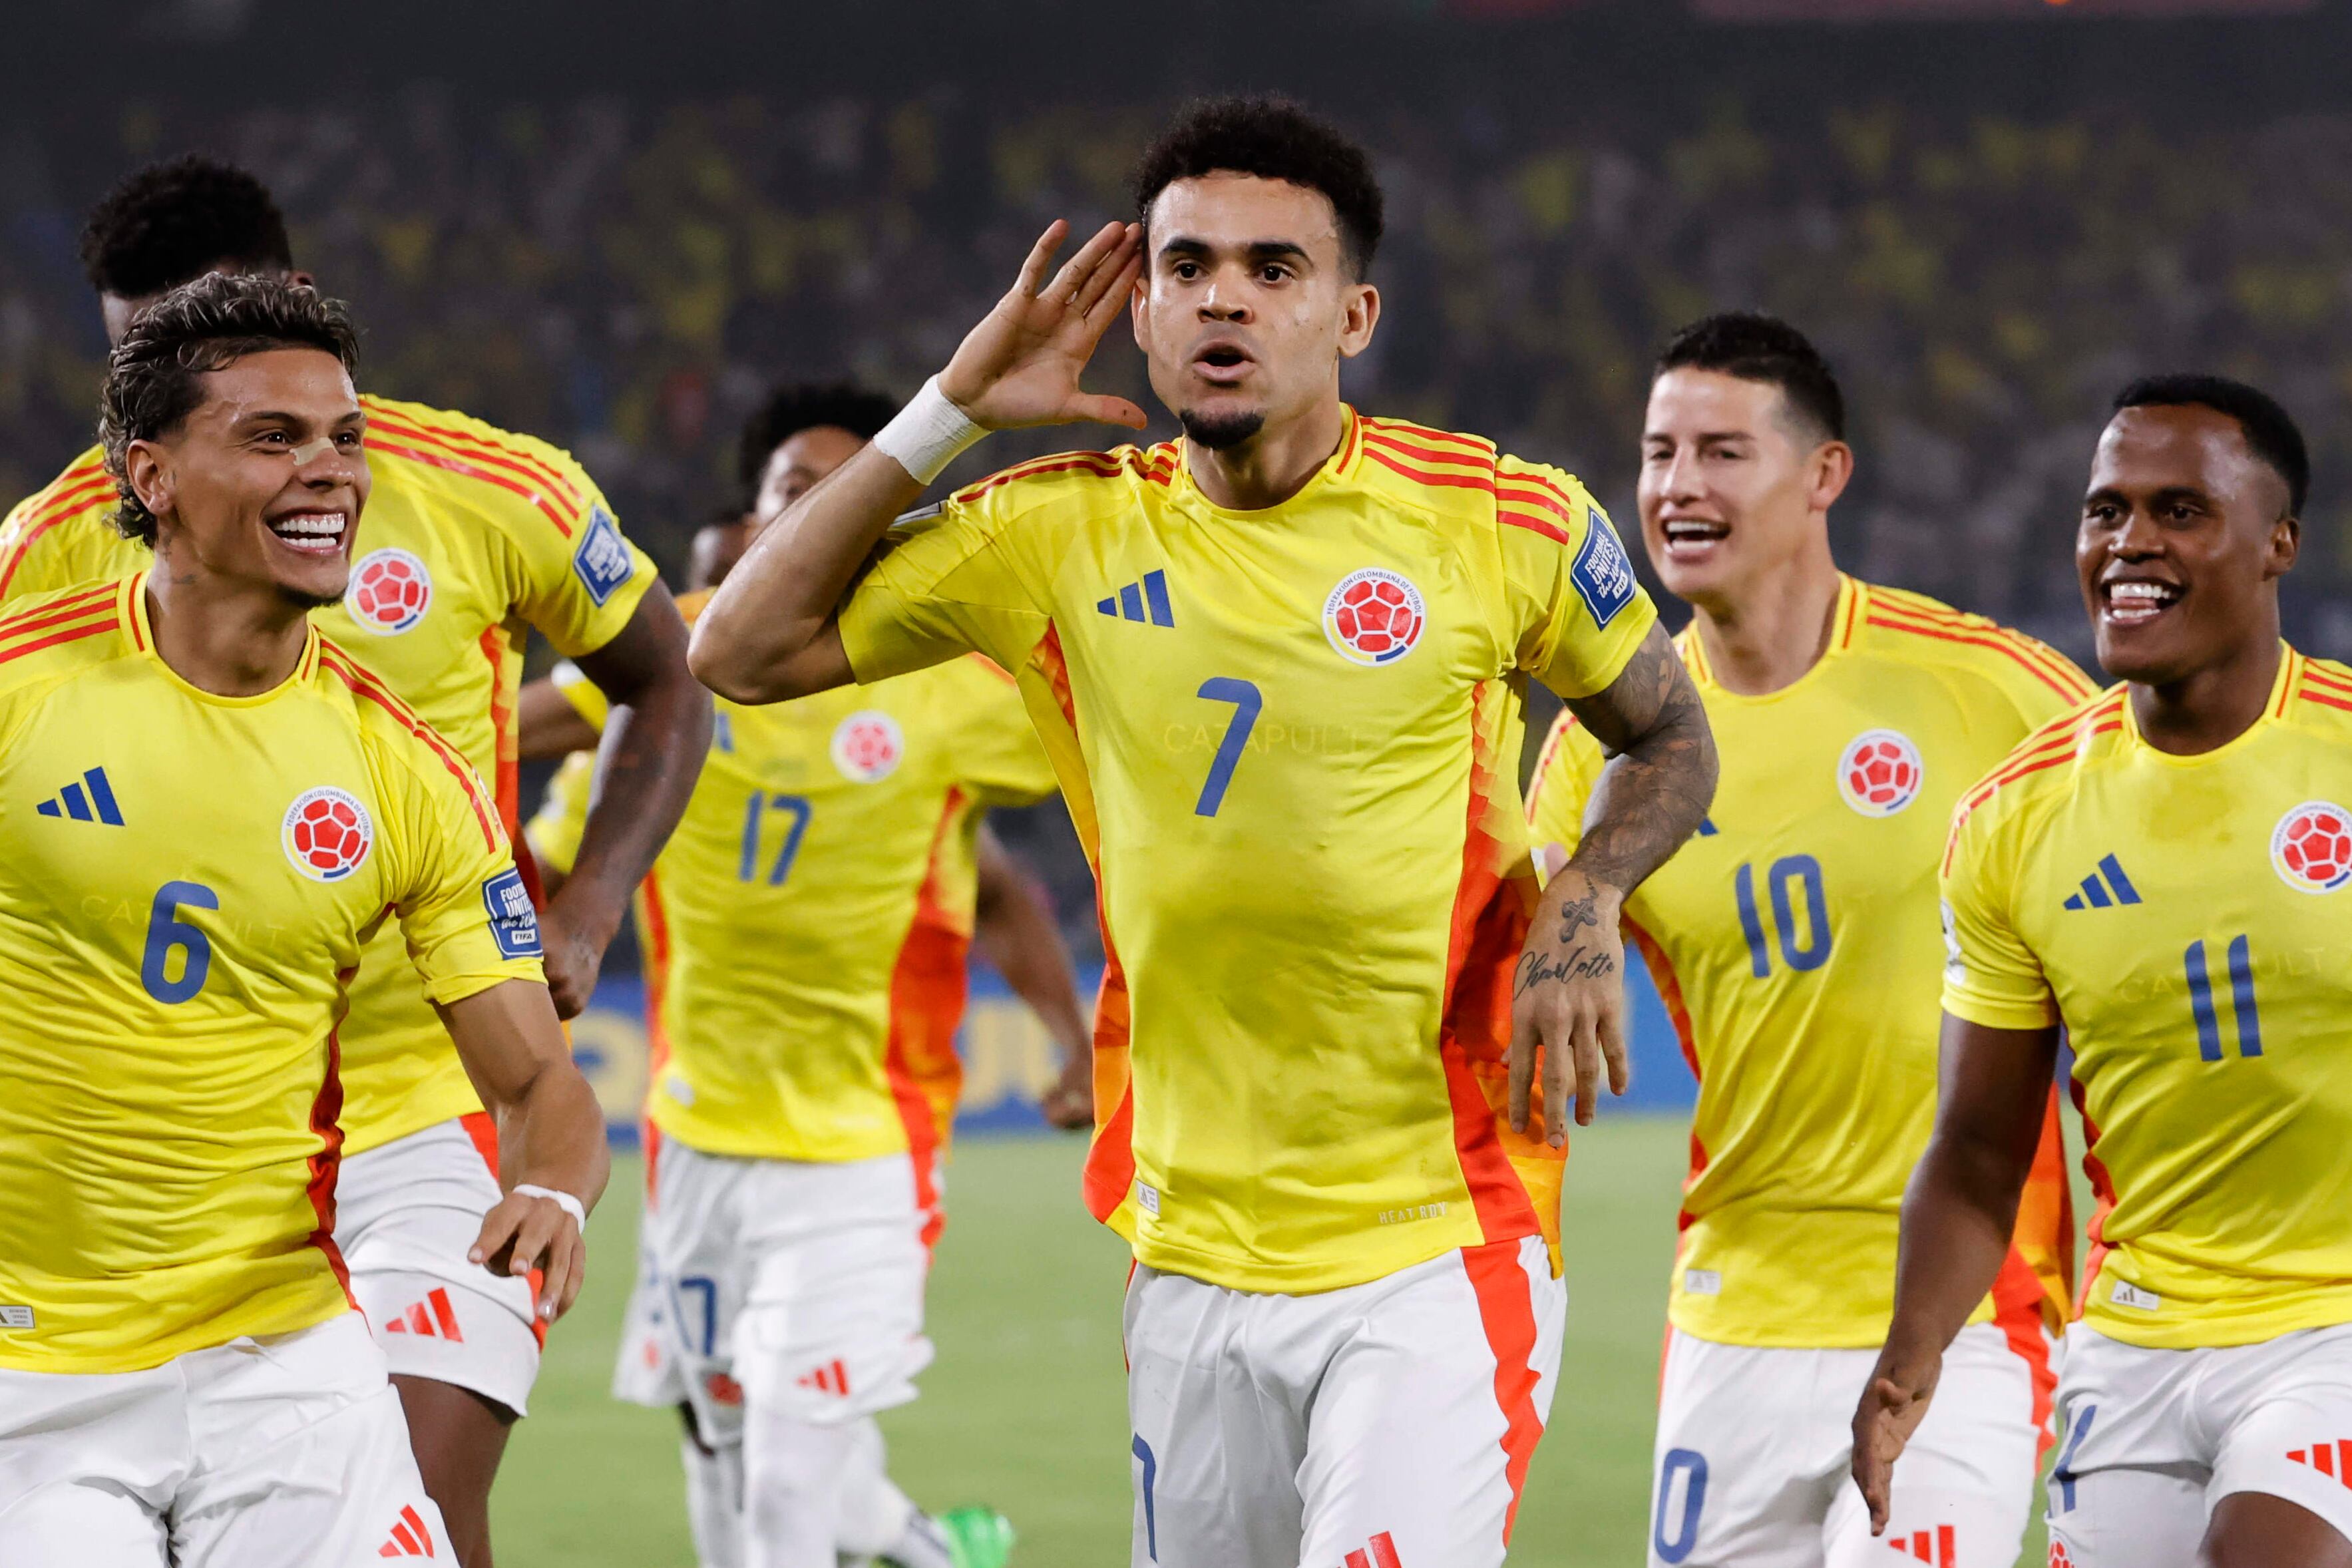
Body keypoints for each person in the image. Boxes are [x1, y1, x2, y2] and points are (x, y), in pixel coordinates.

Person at [691, 96, 1718, 1568]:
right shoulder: (1050, 532)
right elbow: (736, 647)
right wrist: (956, 405)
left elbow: (1671, 733)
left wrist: (1590, 895)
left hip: (1437, 1231)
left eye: (1273, 268)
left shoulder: (1502, 519)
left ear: (1353, 311)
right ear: (1147, 311)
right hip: (1184, 1247)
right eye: (1185, 267)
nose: (1221, 294)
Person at [0, 156, 709, 1565]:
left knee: (423, 1488)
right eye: (126, 358)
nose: (322, 467)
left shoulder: (485, 508)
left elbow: (667, 678)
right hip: (123, 1167)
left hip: (424, 1096)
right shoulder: (49, 564)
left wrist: (583, 908)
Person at [1526, 314, 2090, 1568]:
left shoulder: (1987, 690)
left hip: (1963, 1312)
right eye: (1658, 453)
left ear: (1822, 475)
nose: (1677, 486)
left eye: (1721, 452)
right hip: (1734, 1308)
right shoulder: (1598, 752)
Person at [520, 383, 1092, 1568]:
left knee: (786, 1479)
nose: (811, 517)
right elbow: (505, 747)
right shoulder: (674, 657)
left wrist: (1076, 1035)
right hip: (693, 1143)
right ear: (756, 514)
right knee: (723, 1453)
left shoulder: (949, 685)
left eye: (845, 498)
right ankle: (929, 1547)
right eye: (792, 493)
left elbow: (995, 880)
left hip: (860, 1154)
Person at [1855, 376, 2352, 1568]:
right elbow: (1978, 1149)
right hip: (2131, 1345)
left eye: (2180, 512)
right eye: (2105, 512)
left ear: (2276, 545)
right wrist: (1907, 1358)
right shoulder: (2013, 824)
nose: (2129, 542)